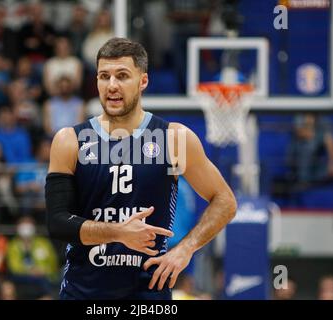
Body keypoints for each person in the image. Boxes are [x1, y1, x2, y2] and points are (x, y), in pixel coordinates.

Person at [45, 37, 237, 300]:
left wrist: (185, 249)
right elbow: (57, 223)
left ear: (143, 81)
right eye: (104, 76)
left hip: (148, 295)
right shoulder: (69, 140)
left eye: (122, 76)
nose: (111, 85)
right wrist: (119, 232)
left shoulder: (174, 138)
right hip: (83, 292)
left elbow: (225, 201)